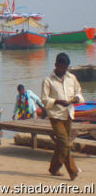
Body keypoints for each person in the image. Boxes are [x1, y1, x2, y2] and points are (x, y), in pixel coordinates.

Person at [41, 53, 84, 181]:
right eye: (61, 67)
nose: (63, 70)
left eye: (65, 67)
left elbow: (79, 93)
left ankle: (54, 168)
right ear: (56, 65)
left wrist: (75, 99)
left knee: (61, 144)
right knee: (65, 143)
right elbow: (44, 99)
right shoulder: (48, 80)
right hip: (55, 115)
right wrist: (57, 101)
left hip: (68, 114)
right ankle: (73, 171)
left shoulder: (72, 78)